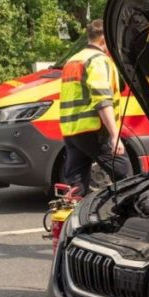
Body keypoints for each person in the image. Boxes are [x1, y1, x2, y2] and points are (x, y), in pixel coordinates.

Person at [59, 19, 131, 193]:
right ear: (104, 39)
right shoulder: (98, 60)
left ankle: (72, 216)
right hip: (93, 129)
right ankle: (123, 213)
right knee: (123, 172)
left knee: (76, 183)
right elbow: (102, 99)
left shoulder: (73, 60)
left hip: (71, 130)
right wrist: (114, 135)